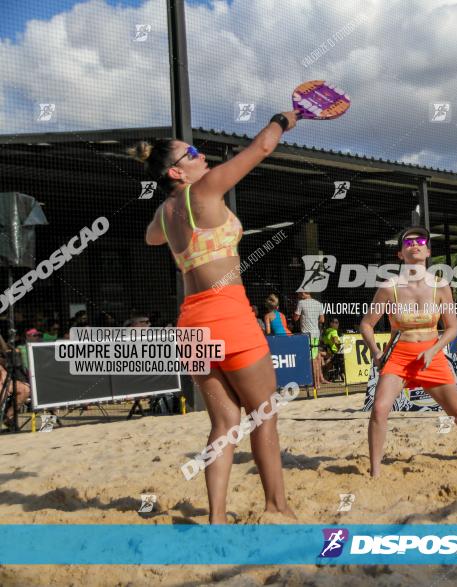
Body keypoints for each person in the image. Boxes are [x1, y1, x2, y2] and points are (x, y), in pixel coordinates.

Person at [138, 108, 300, 523]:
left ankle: (216, 518)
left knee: (224, 423)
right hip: (227, 313)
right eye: (191, 152)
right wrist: (284, 119)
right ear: (176, 172)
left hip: (190, 323)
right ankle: (276, 506)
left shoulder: (165, 213)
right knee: (263, 413)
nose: (201, 154)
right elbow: (262, 147)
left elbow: (151, 238)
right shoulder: (204, 192)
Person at [360, 227, 457, 477]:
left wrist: (434, 350)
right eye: (408, 242)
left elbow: (452, 328)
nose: (415, 244)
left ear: (428, 251)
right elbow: (366, 324)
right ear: (400, 254)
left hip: (430, 355)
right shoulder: (389, 287)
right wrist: (376, 353)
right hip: (400, 355)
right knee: (379, 409)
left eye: (421, 240)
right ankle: (375, 471)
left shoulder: (441, 286)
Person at [293, 290, 327, 387]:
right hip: (316, 333)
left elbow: (296, 318)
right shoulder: (318, 303)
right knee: (315, 358)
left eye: (299, 293)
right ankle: (317, 382)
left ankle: (315, 383)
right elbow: (322, 319)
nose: (298, 295)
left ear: (304, 293)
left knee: (312, 359)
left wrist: (296, 313)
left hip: (307, 335)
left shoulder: (301, 303)